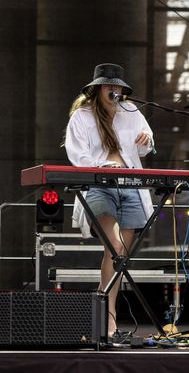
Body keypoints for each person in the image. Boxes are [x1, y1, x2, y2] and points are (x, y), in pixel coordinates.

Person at [64, 63, 155, 339]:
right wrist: (103, 165)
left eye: (117, 86)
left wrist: (146, 138)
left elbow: (146, 147)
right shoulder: (81, 117)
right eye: (108, 85)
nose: (113, 90)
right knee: (115, 248)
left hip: (130, 187)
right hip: (100, 187)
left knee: (118, 256)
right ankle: (105, 314)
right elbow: (77, 156)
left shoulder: (131, 112)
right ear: (97, 89)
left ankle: (107, 315)